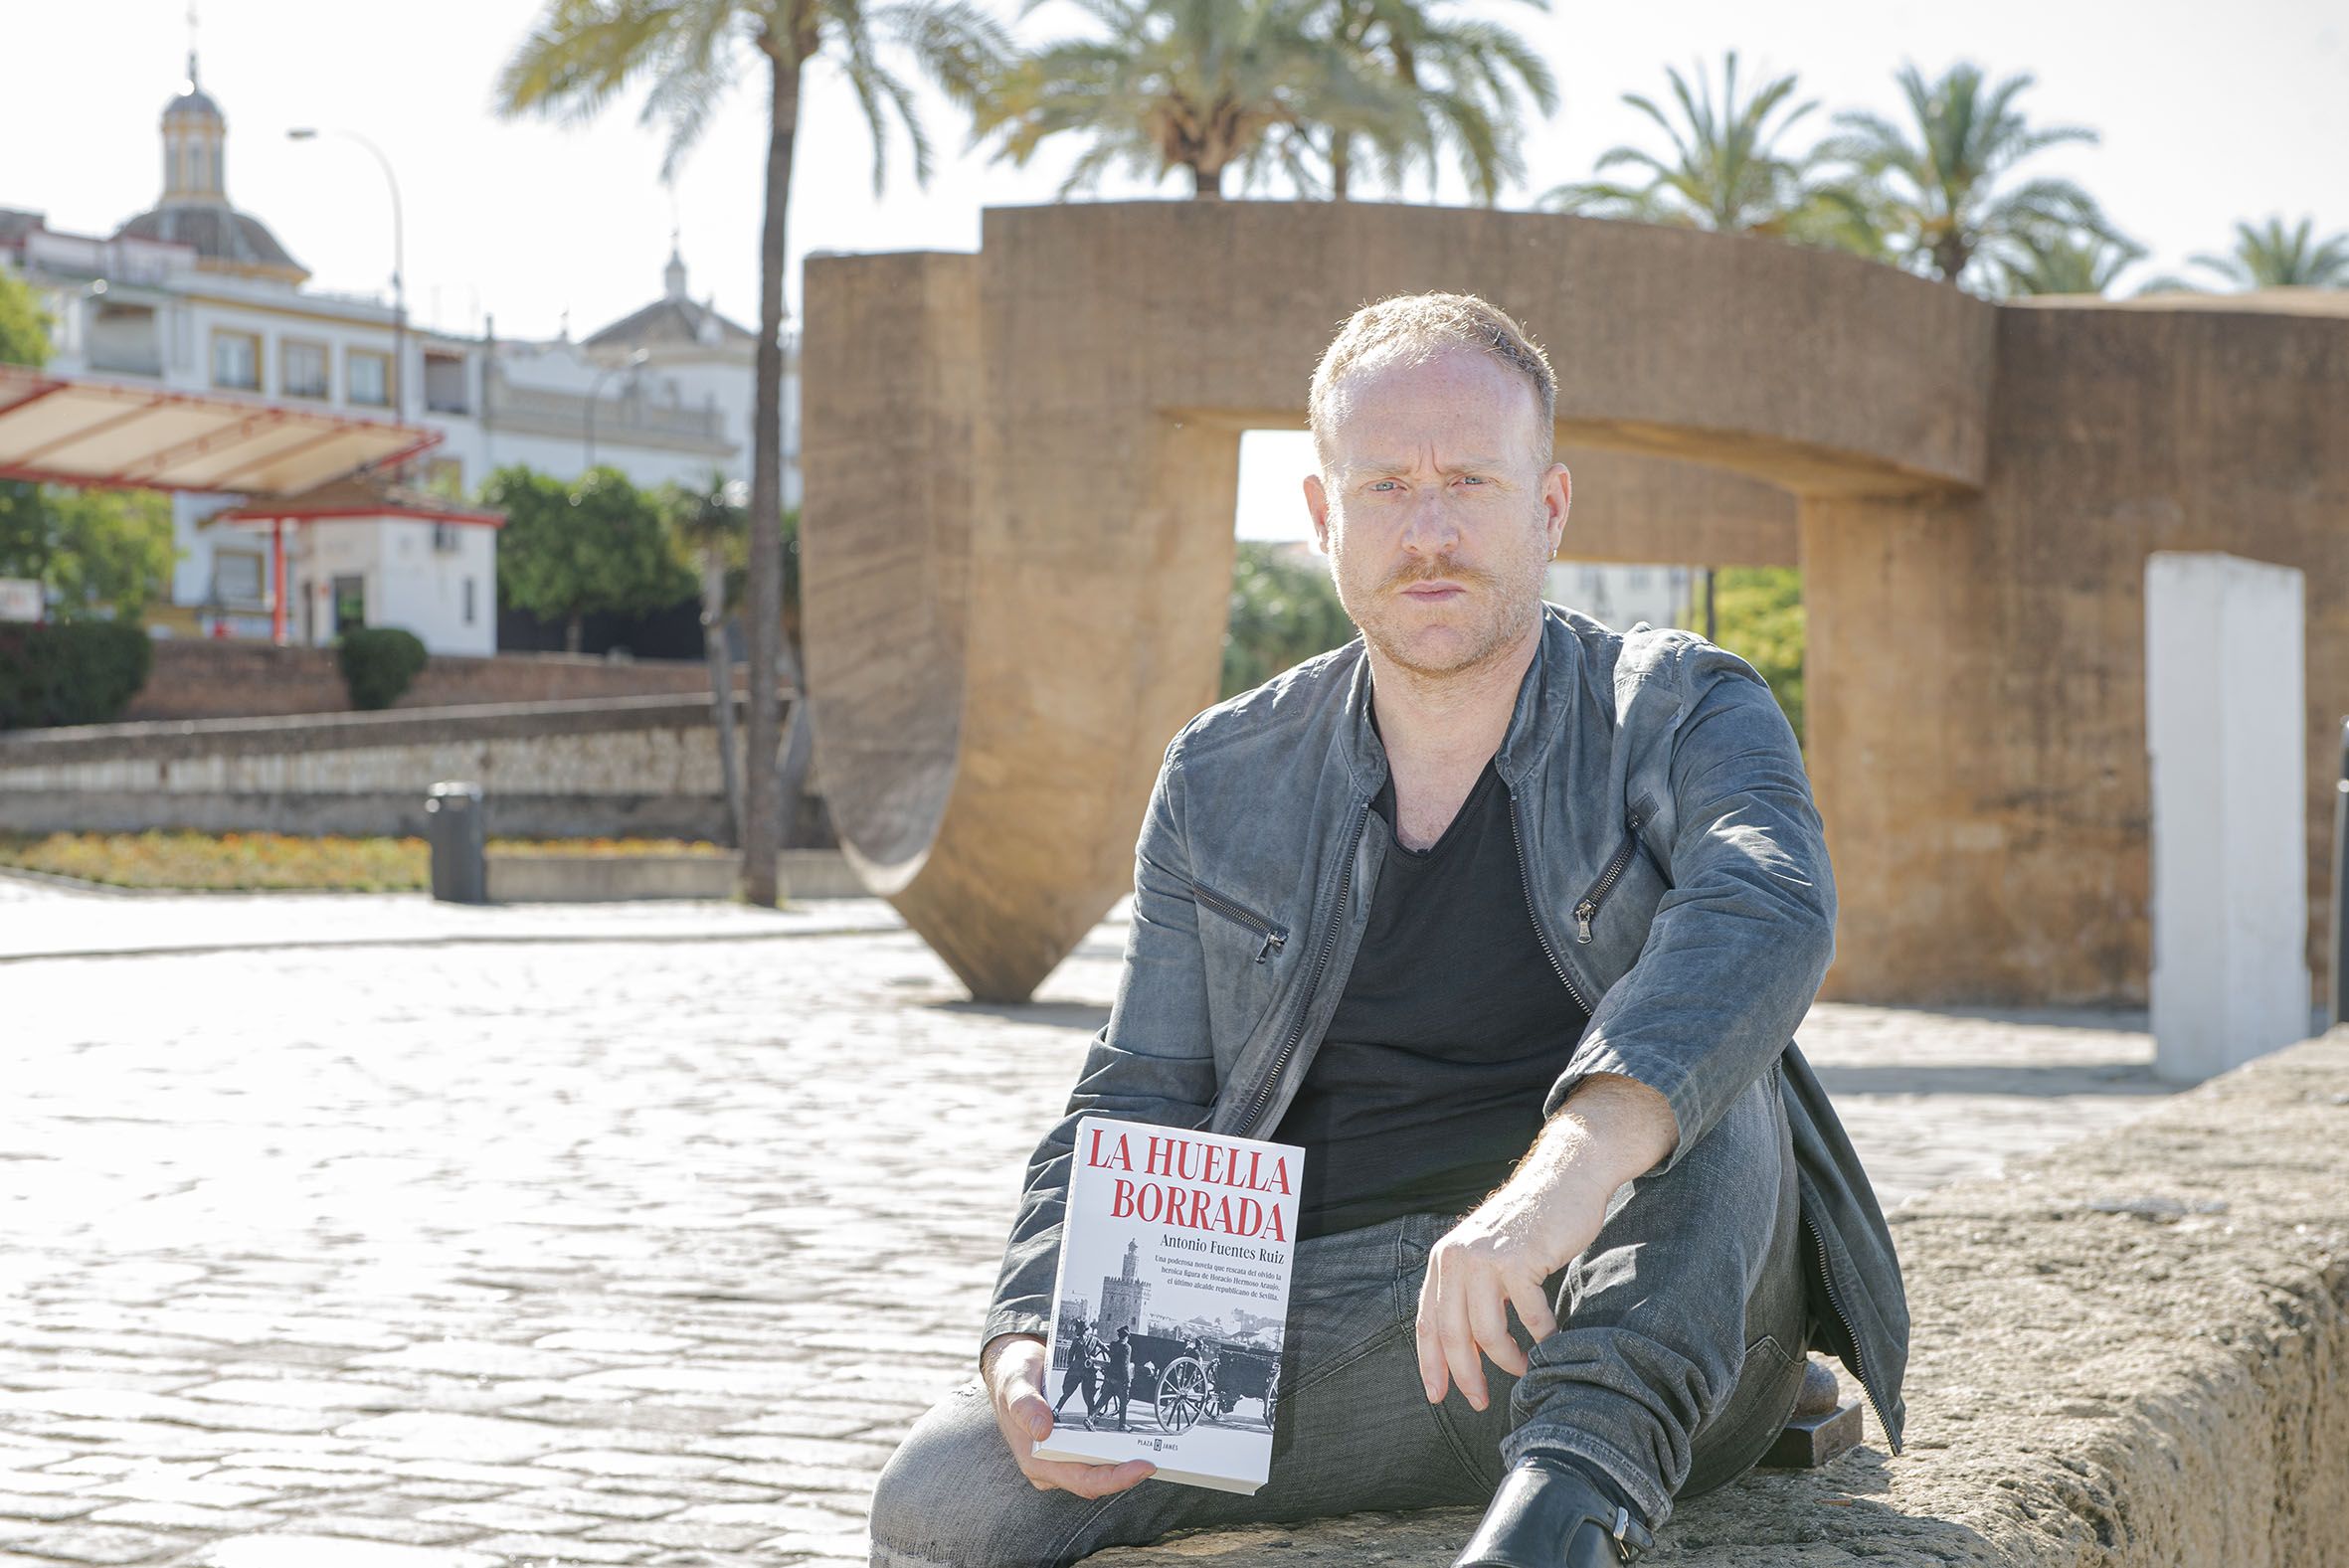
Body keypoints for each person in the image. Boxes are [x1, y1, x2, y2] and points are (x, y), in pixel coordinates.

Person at [869, 293, 1908, 1568]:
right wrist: (1031, 1323)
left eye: (1470, 479)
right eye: (1385, 486)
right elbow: (1138, 1086)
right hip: (1337, 1317)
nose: (1429, 529)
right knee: (948, 1493)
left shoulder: (1684, 706)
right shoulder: (1221, 771)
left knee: (1705, 1069)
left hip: (1623, 1289)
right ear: (1322, 518)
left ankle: (1564, 1514)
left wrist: (1554, 1186)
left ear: (1550, 506)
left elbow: (1768, 904)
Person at [1051, 1321, 1107, 1433]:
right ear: (1087, 1330)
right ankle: (1091, 1417)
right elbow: (1107, 1350)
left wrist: (1070, 1365)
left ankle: (1056, 1410)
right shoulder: (1095, 1340)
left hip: (1075, 1370)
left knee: (1067, 1393)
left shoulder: (1076, 1340)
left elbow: (1070, 1354)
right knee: (1089, 1395)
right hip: (1089, 1370)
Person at [1103, 1326, 1135, 1432]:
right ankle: (1122, 1425)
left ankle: (1090, 1418)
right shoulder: (1127, 1347)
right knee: (1123, 1401)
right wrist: (1128, 1380)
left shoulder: (1113, 1345)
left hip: (1110, 1376)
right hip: (1120, 1379)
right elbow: (1125, 1366)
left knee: (1103, 1398)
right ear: (1126, 1337)